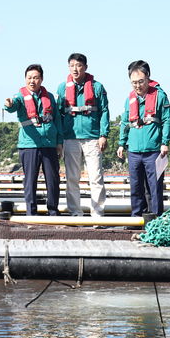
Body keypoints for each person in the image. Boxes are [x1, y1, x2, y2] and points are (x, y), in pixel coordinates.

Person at [4, 64, 63, 216]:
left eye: (36, 78)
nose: (32, 81)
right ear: (25, 79)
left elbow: (57, 120)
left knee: (53, 179)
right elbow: (13, 106)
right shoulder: (20, 97)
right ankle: (31, 213)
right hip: (29, 145)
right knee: (30, 181)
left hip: (49, 144)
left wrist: (59, 142)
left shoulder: (49, 97)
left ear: (41, 79)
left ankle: (53, 211)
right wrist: (9, 104)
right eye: (29, 78)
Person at [117, 62, 170, 216]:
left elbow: (168, 119)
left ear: (148, 78)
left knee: (154, 187)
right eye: (134, 82)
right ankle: (136, 218)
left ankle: (155, 219)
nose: (138, 85)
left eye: (141, 81)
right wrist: (121, 143)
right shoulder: (129, 99)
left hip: (153, 151)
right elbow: (125, 122)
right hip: (134, 151)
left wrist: (165, 142)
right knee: (135, 187)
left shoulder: (160, 96)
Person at [56, 53, 109, 217]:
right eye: (72, 65)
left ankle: (98, 214)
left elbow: (104, 111)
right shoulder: (62, 88)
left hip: (92, 138)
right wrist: (59, 140)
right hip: (70, 138)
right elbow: (58, 115)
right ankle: (75, 213)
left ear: (85, 67)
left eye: (78, 65)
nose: (75, 69)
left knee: (96, 177)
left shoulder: (97, 87)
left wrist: (103, 134)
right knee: (72, 178)